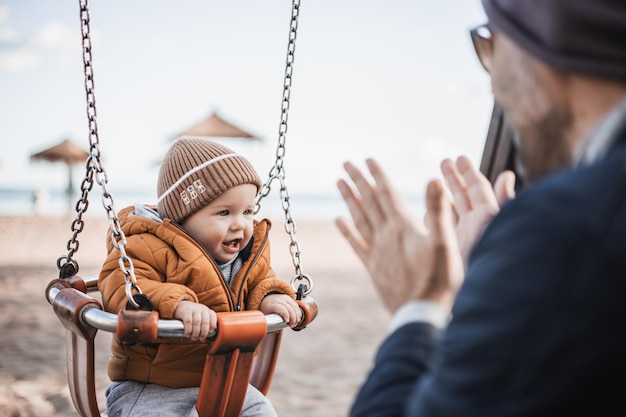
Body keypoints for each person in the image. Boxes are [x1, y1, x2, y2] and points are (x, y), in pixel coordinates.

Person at [336, 0, 626, 415]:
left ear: (543, 43)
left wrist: (420, 306)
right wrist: (504, 271)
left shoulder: (567, 232)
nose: (493, 85)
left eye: (490, 45)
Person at [98, 138, 302, 417]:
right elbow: (120, 287)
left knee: (262, 411)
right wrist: (178, 305)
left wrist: (271, 298)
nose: (240, 224)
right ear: (183, 217)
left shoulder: (247, 255)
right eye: (224, 212)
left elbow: (261, 280)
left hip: (224, 382)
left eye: (247, 212)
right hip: (149, 388)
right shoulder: (145, 244)